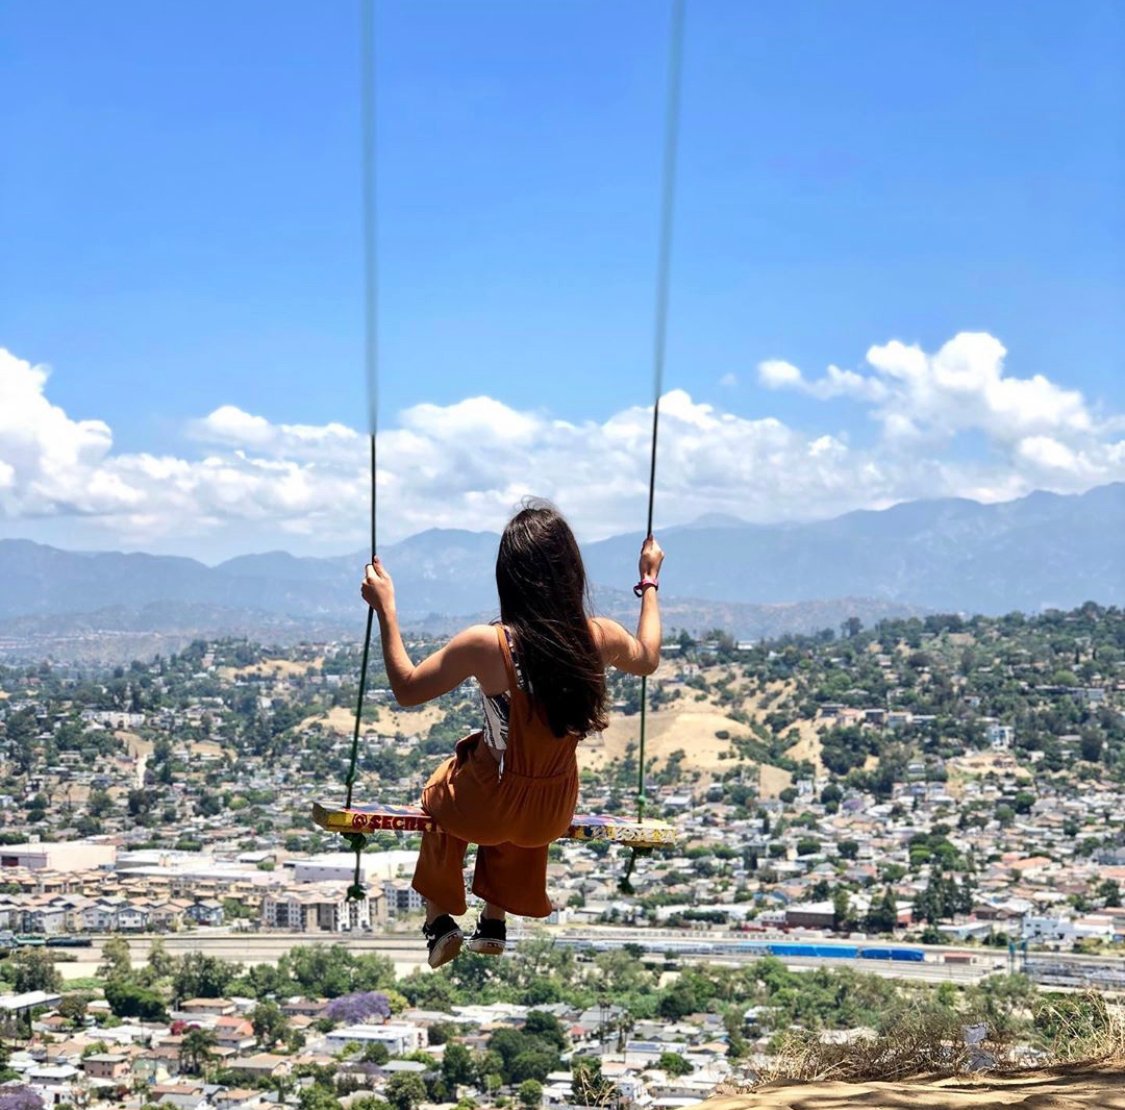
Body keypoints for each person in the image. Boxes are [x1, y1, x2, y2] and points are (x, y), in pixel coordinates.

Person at [360, 499, 664, 968]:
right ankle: (494, 920)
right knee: (522, 777)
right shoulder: (598, 637)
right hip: (550, 813)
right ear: (571, 573)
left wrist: (387, 608)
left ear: (509, 577)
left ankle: (440, 920)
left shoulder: (488, 644)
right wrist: (649, 581)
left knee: (446, 783)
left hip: (486, 809)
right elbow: (648, 657)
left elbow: (406, 688)